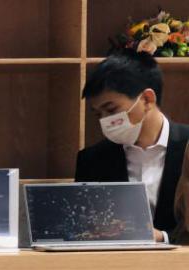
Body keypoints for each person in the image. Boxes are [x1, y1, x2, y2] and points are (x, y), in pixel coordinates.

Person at [77, 50, 189, 242]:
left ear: (147, 99)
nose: (105, 121)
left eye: (111, 110)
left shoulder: (187, 146)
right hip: (115, 261)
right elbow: (84, 232)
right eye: (98, 114)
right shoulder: (92, 160)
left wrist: (162, 237)